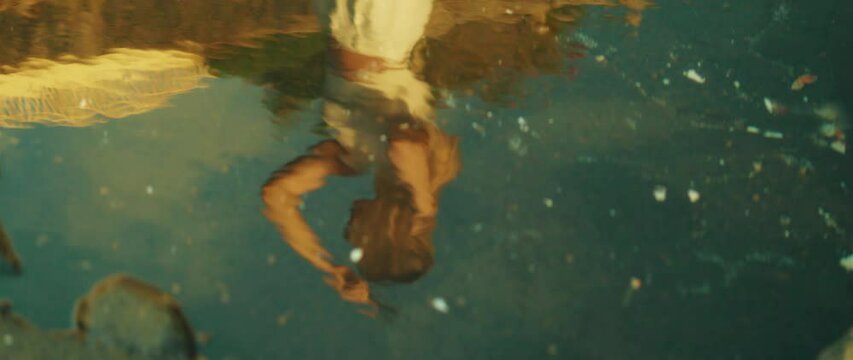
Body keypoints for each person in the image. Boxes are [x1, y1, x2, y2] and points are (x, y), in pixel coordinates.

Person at [261, 0, 460, 313]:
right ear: (385, 235)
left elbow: (277, 195)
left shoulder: (354, 159)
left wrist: (331, 268)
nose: (348, 233)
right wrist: (424, 209)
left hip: (344, 20)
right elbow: (402, 142)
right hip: (381, 22)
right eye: (358, 247)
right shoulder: (405, 162)